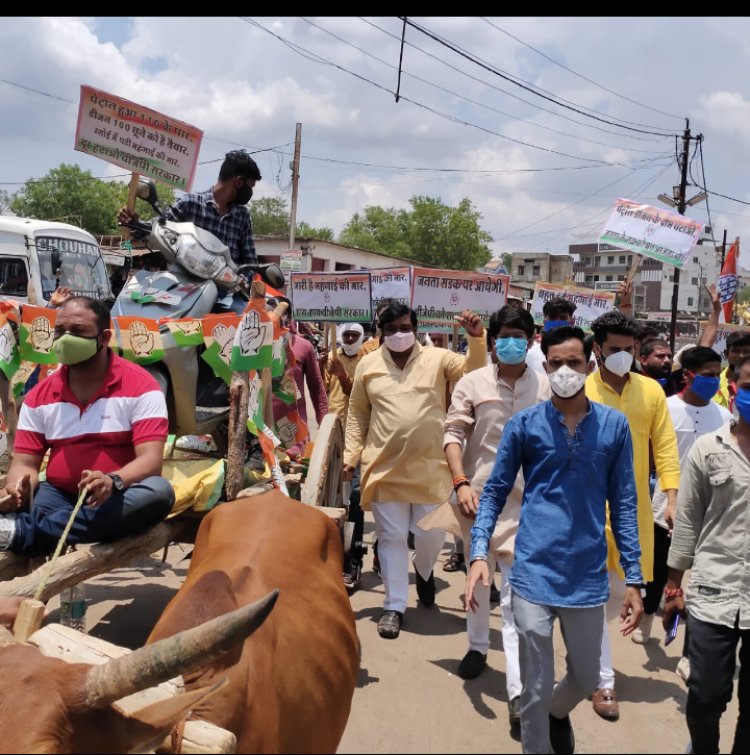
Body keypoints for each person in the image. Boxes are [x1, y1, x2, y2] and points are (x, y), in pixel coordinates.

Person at [467, 325, 643, 755]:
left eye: (575, 362)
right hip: (531, 569)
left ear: (590, 364)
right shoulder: (524, 425)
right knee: (535, 683)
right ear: (545, 367)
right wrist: (478, 553)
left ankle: (556, 713)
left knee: (585, 678)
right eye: (558, 363)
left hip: (586, 572)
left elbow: (624, 504)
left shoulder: (614, 427)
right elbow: (493, 491)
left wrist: (635, 578)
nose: (566, 370)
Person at [343, 304, 486, 640]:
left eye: (403, 327)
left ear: (415, 327)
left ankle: (424, 573)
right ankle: (394, 606)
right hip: (383, 468)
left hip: (432, 468)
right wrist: (352, 453)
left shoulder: (439, 358)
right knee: (391, 538)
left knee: (430, 535)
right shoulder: (368, 364)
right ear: (380, 331)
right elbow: (357, 414)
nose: (397, 333)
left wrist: (477, 339)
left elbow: (473, 373)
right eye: (389, 328)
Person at [441, 305, 550, 730]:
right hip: (479, 498)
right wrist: (460, 481)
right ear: (493, 337)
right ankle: (476, 647)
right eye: (504, 334)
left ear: (531, 339)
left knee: (513, 596)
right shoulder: (473, 382)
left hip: (530, 503)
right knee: (478, 579)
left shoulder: (546, 387)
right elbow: (453, 434)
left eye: (519, 335)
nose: (511, 342)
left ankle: (518, 693)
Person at [0, 297, 175, 555]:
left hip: (117, 496)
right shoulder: (40, 396)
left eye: (77, 331)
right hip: (58, 495)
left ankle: (22, 531)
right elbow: (25, 464)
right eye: (59, 331)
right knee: (33, 505)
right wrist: (15, 489)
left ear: (104, 338)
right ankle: (35, 528)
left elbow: (150, 461)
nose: (65, 339)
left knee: (159, 492)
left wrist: (112, 480)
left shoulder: (141, 387)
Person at [585, 309, 680, 721]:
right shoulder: (578, 389)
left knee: (616, 597)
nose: (623, 356)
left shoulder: (651, 393)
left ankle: (586, 651)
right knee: (594, 598)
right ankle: (603, 679)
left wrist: (672, 498)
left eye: (630, 350)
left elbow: (666, 448)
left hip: (633, 512)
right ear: (597, 350)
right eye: (614, 350)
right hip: (584, 511)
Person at [663, 354, 750, 755]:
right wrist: (673, 586)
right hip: (714, 591)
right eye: (748, 386)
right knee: (705, 695)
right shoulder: (707, 448)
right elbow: (688, 522)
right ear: (734, 388)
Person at [118, 149, 261, 314]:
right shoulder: (190, 204)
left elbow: (250, 262)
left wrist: (242, 280)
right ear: (239, 182)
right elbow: (158, 228)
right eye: (250, 187)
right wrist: (133, 223)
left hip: (225, 294)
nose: (249, 193)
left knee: (245, 322)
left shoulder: (242, 216)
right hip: (183, 288)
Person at [325, 322, 366, 590]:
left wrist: (342, 375)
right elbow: (322, 391)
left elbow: (360, 396)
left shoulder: (367, 361)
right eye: (346, 335)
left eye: (355, 335)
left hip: (359, 436)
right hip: (332, 433)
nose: (350, 338)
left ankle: (353, 561)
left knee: (355, 496)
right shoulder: (330, 356)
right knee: (330, 495)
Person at [272, 300, 328, 457]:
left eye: (279, 313)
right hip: (257, 435)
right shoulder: (249, 348)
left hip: (292, 436)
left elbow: (318, 394)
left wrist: (325, 431)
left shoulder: (304, 347)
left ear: (288, 318)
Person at [525, 297, 596, 373]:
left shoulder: (586, 353)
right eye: (552, 318)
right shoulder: (529, 351)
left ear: (572, 322)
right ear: (545, 322)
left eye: (563, 318)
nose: (558, 322)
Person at [714, 330, 750, 414]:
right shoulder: (714, 381)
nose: (741, 355)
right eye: (735, 351)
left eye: (746, 351)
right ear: (726, 354)